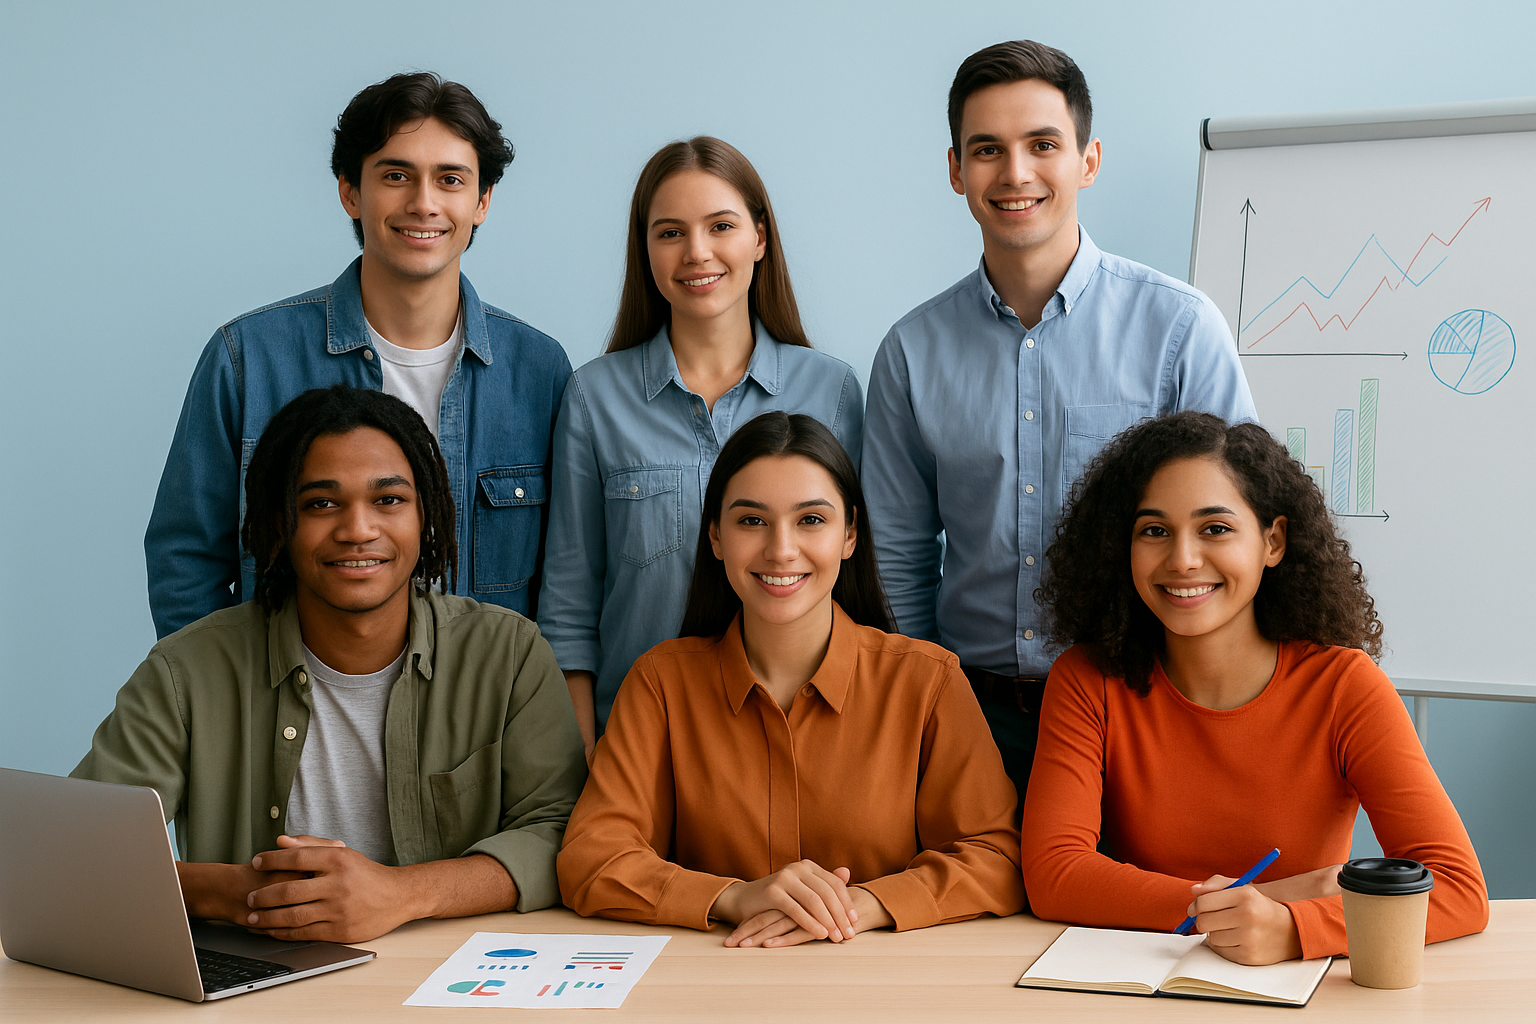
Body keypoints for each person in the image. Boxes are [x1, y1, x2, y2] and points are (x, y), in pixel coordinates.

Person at [861, 40, 1257, 800]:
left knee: (1137, 917)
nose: (1015, 173)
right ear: (956, 171)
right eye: (987, 150)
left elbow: (1232, 535)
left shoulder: (1179, 329)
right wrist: (921, 715)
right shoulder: (911, 352)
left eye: (1043, 144)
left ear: (1088, 160)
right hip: (970, 717)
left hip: (1142, 704)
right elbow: (899, 564)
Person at [75, 387, 587, 943]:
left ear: (427, 514)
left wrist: (401, 893)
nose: (357, 530)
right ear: (280, 521)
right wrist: (239, 893)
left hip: (451, 981)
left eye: (388, 500)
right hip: (255, 979)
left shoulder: (508, 654)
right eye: (321, 503)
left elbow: (561, 833)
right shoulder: (186, 672)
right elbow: (76, 853)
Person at [1020, 411, 1488, 964]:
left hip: (1299, 990)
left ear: (1273, 541)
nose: (1183, 559)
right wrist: (1262, 901)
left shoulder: (1346, 687)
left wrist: (1291, 929)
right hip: (1141, 982)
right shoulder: (1087, 679)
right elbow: (1054, 873)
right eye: (1154, 531)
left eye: (1215, 528)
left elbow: (1458, 888)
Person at [557, 412, 1023, 946]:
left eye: (811, 520)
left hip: (881, 987)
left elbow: (998, 855)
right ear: (715, 536)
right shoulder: (661, 683)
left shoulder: (928, 682)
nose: (781, 549)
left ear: (850, 534)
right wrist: (734, 897)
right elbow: (592, 856)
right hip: (711, 986)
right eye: (751, 520)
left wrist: (862, 905)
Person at [145, 72, 570, 639]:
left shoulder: (540, 372)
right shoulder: (246, 360)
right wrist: (216, 707)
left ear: (482, 201)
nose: (424, 203)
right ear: (350, 191)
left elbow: (568, 582)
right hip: (290, 714)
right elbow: (185, 558)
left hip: (484, 717)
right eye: (396, 175)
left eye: (450, 179)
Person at [538, 137, 862, 754]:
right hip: (638, 748)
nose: (697, 252)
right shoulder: (592, 397)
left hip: (801, 744)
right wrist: (584, 775)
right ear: (646, 250)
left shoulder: (833, 390)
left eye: (721, 225)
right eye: (670, 232)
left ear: (760, 238)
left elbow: (855, 587)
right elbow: (569, 612)